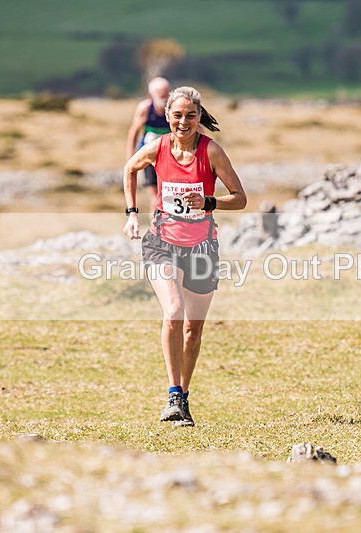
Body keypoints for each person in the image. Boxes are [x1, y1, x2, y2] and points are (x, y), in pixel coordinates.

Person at [123, 86, 247, 426]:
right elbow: (130, 168)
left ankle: (183, 399)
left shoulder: (212, 152)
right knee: (174, 311)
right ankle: (173, 393)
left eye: (190, 115)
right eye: (177, 115)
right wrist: (132, 213)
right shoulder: (158, 147)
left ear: (198, 117)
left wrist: (209, 202)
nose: (183, 122)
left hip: (203, 248)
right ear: (167, 117)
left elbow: (240, 198)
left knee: (193, 330)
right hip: (162, 244)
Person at [126, 77, 172, 212]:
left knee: (168, 194)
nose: (165, 97)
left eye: (167, 93)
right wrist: (130, 158)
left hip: (170, 155)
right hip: (149, 155)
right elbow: (134, 132)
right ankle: (155, 228)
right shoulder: (145, 108)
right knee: (155, 196)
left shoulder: (174, 108)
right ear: (151, 95)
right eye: (161, 94)